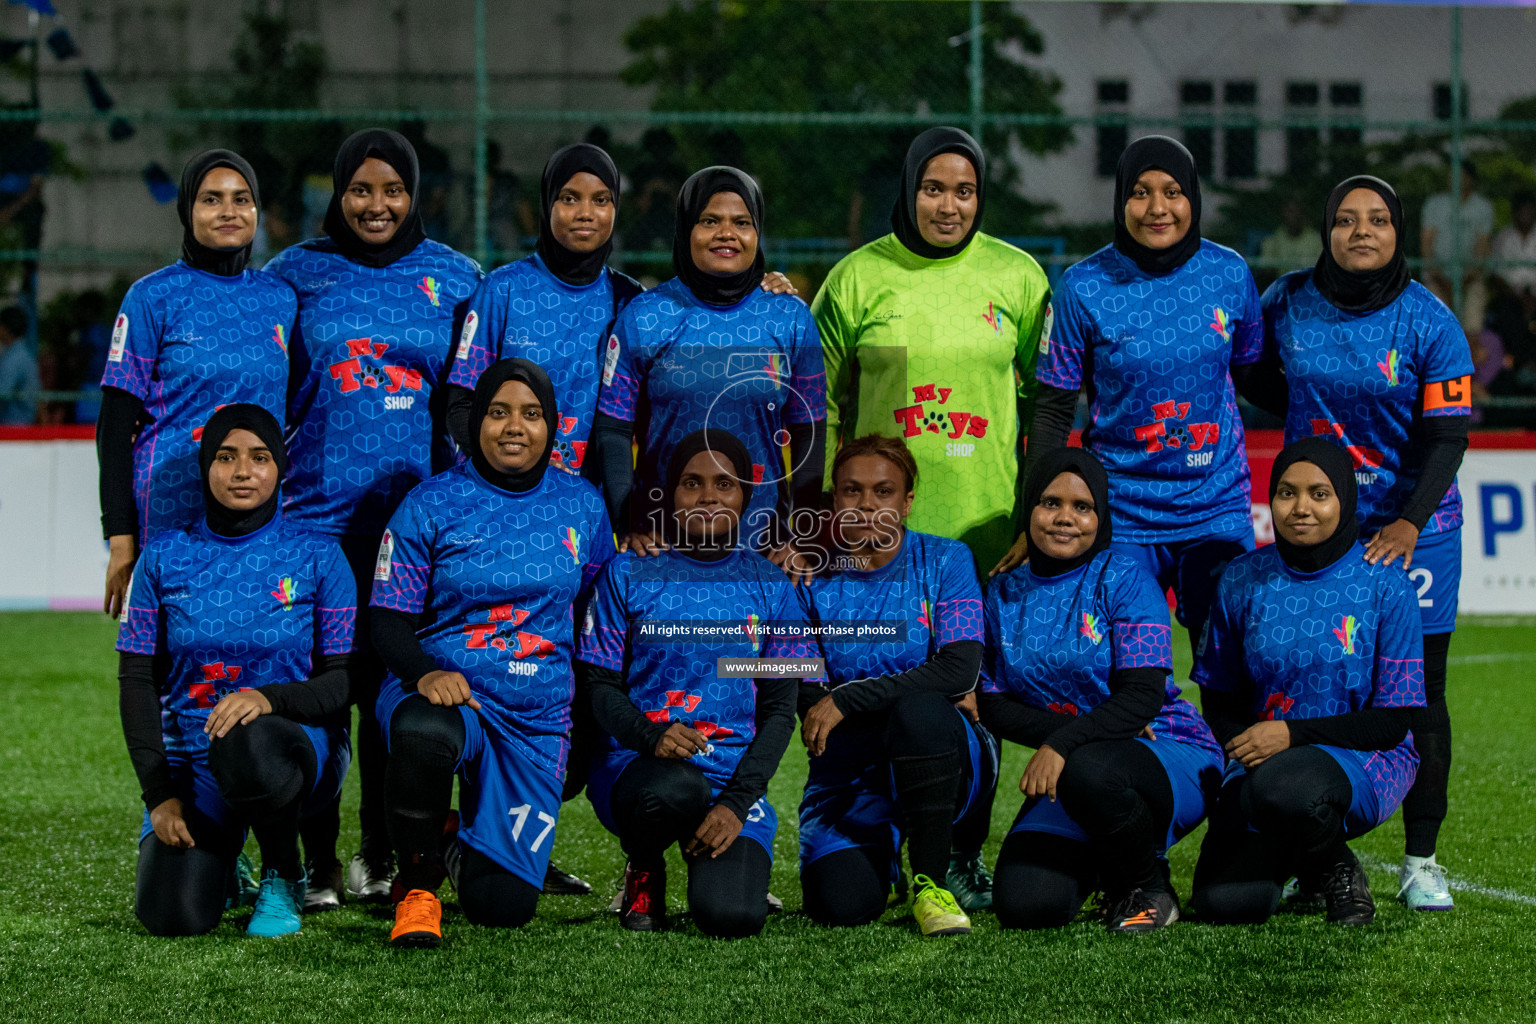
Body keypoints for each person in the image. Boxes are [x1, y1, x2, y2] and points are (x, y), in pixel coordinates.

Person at [265, 128, 481, 910]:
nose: (377, 205)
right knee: (326, 692)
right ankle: (317, 861)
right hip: (314, 526)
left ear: (415, 193)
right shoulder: (294, 274)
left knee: (398, 697)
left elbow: (477, 396)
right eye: (361, 189)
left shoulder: (457, 277)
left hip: (415, 532)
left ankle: (380, 855)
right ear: (338, 192)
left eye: (392, 190)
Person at [1259, 174, 1472, 911]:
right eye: (1345, 219)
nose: (1360, 232)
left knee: (1422, 697)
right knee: (1298, 680)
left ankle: (1422, 861)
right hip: (1321, 528)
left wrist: (1407, 522)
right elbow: (1255, 377)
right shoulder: (1285, 300)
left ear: (1397, 232)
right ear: (1326, 229)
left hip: (1417, 534)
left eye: (1377, 220)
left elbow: (1449, 437)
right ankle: (1308, 852)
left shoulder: (1431, 320)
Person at [369, 359, 614, 948]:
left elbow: (598, 619)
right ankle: (418, 886)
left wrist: (591, 721)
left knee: (501, 907)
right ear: (475, 421)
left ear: (552, 426)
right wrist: (426, 673)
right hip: (448, 693)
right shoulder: (430, 503)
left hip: (536, 717)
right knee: (425, 733)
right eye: (498, 412)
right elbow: (386, 617)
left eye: (531, 415)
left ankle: (447, 833)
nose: (514, 427)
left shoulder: (583, 506)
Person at [1001, 136, 1264, 658]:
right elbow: (1053, 411)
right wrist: (1035, 514)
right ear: (1121, 199)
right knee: (1128, 674)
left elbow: (1255, 376)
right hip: (1120, 513)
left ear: (1193, 198)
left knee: (1231, 672)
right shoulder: (1083, 286)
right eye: (1141, 192)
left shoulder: (1230, 274)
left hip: (1214, 508)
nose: (1157, 208)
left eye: (1172, 192)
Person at [116, 405, 355, 937]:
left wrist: (268, 699)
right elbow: (136, 680)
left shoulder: (319, 556)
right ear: (206, 466)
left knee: (247, 737)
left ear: (280, 468)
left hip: (295, 753)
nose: (243, 471)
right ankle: (227, 861)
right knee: (174, 917)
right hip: (194, 766)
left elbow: (342, 683)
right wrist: (159, 793)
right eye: (226, 457)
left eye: (259, 457)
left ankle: (283, 874)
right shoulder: (163, 558)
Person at [980, 448, 1221, 932]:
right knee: (1027, 905)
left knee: (1092, 769)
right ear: (1029, 509)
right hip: (1076, 763)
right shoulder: (1002, 593)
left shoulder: (1127, 578)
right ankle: (1108, 858)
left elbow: (1142, 697)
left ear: (1101, 515)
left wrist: (1063, 744)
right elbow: (989, 702)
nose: (1065, 518)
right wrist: (1067, 739)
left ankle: (1148, 885)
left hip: (1166, 748)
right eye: (1050, 503)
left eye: (1082, 507)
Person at [577, 430, 803, 938]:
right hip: (641, 768)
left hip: (729, 776)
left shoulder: (771, 589)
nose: (708, 496)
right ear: (670, 495)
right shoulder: (629, 572)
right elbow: (599, 686)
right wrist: (650, 736)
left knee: (732, 917)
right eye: (691, 483)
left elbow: (778, 711)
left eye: (725, 484)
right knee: (675, 787)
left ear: (745, 495)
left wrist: (735, 803)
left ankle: (718, 848)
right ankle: (644, 866)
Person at [1190, 439, 1425, 927]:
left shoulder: (1387, 583)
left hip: (1366, 758)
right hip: (1263, 762)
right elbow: (1218, 696)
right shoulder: (1239, 577)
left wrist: (1290, 737)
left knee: (1287, 785)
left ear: (1344, 498)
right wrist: (1248, 746)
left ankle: (1334, 869)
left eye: (1319, 494)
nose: (1300, 508)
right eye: (1286, 493)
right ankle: (1296, 854)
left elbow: (1392, 722)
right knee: (1225, 905)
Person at [814, 126, 1052, 576]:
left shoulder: (1020, 277)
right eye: (932, 189)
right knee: (884, 646)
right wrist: (828, 501)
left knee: (975, 648)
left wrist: (1035, 508)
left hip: (992, 528)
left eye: (964, 191)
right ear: (909, 191)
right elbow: (815, 401)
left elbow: (1046, 402)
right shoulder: (855, 279)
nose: (948, 207)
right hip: (878, 528)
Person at [795, 434, 996, 937]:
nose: (866, 506)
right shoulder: (806, 576)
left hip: (941, 749)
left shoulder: (948, 560)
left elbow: (959, 669)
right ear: (834, 499)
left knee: (921, 714)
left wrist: (849, 696)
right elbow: (803, 688)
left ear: (906, 502)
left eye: (883, 492)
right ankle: (881, 855)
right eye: (851, 491)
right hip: (850, 766)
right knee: (839, 906)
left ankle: (935, 880)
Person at [98, 150, 294, 621]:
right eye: (211, 199)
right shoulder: (151, 297)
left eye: (241, 199)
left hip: (258, 516)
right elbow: (114, 426)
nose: (229, 211)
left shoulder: (281, 298)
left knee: (250, 655)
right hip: (169, 508)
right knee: (165, 667)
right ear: (187, 211)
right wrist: (121, 539)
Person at [591, 166, 826, 557]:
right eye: (709, 221)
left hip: (762, 548)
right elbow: (613, 430)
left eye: (742, 222)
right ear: (686, 230)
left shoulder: (790, 318)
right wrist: (629, 520)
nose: (726, 234)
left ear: (757, 232)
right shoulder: (646, 316)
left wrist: (800, 536)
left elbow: (810, 433)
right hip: (664, 544)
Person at [1421, 160, 1494, 339]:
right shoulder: (1434, 204)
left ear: (1470, 179)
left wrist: (1466, 279)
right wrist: (1441, 278)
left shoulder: (1482, 207)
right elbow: (1426, 246)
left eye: (1460, 176)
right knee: (1436, 315)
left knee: (1475, 299)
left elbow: (1482, 249)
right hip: (1437, 277)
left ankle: (1470, 353)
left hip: (1470, 278)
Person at [1258, 197, 1320, 288]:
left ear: (1303, 214)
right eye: (1290, 211)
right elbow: (1265, 272)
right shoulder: (1272, 241)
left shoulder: (1317, 241)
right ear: (1282, 214)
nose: (1294, 216)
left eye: (1297, 211)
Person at [0, 305, 39, 425]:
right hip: (22, 422)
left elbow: (2, 391)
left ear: (6, 328)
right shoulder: (23, 353)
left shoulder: (14, 358)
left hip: (14, 425)